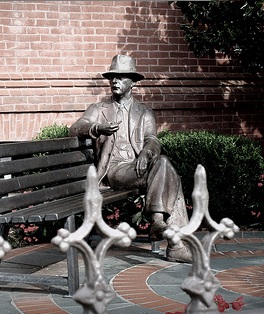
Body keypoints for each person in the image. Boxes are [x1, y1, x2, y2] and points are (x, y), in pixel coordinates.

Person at [69, 54, 191, 262]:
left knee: (163, 163)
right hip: (114, 169)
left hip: (137, 166)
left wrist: (146, 152)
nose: (115, 81)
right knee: (169, 175)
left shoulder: (144, 112)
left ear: (133, 82)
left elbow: (152, 139)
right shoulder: (99, 109)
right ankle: (174, 241)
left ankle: (160, 224)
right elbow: (75, 129)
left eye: (122, 77)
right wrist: (97, 128)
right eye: (112, 77)